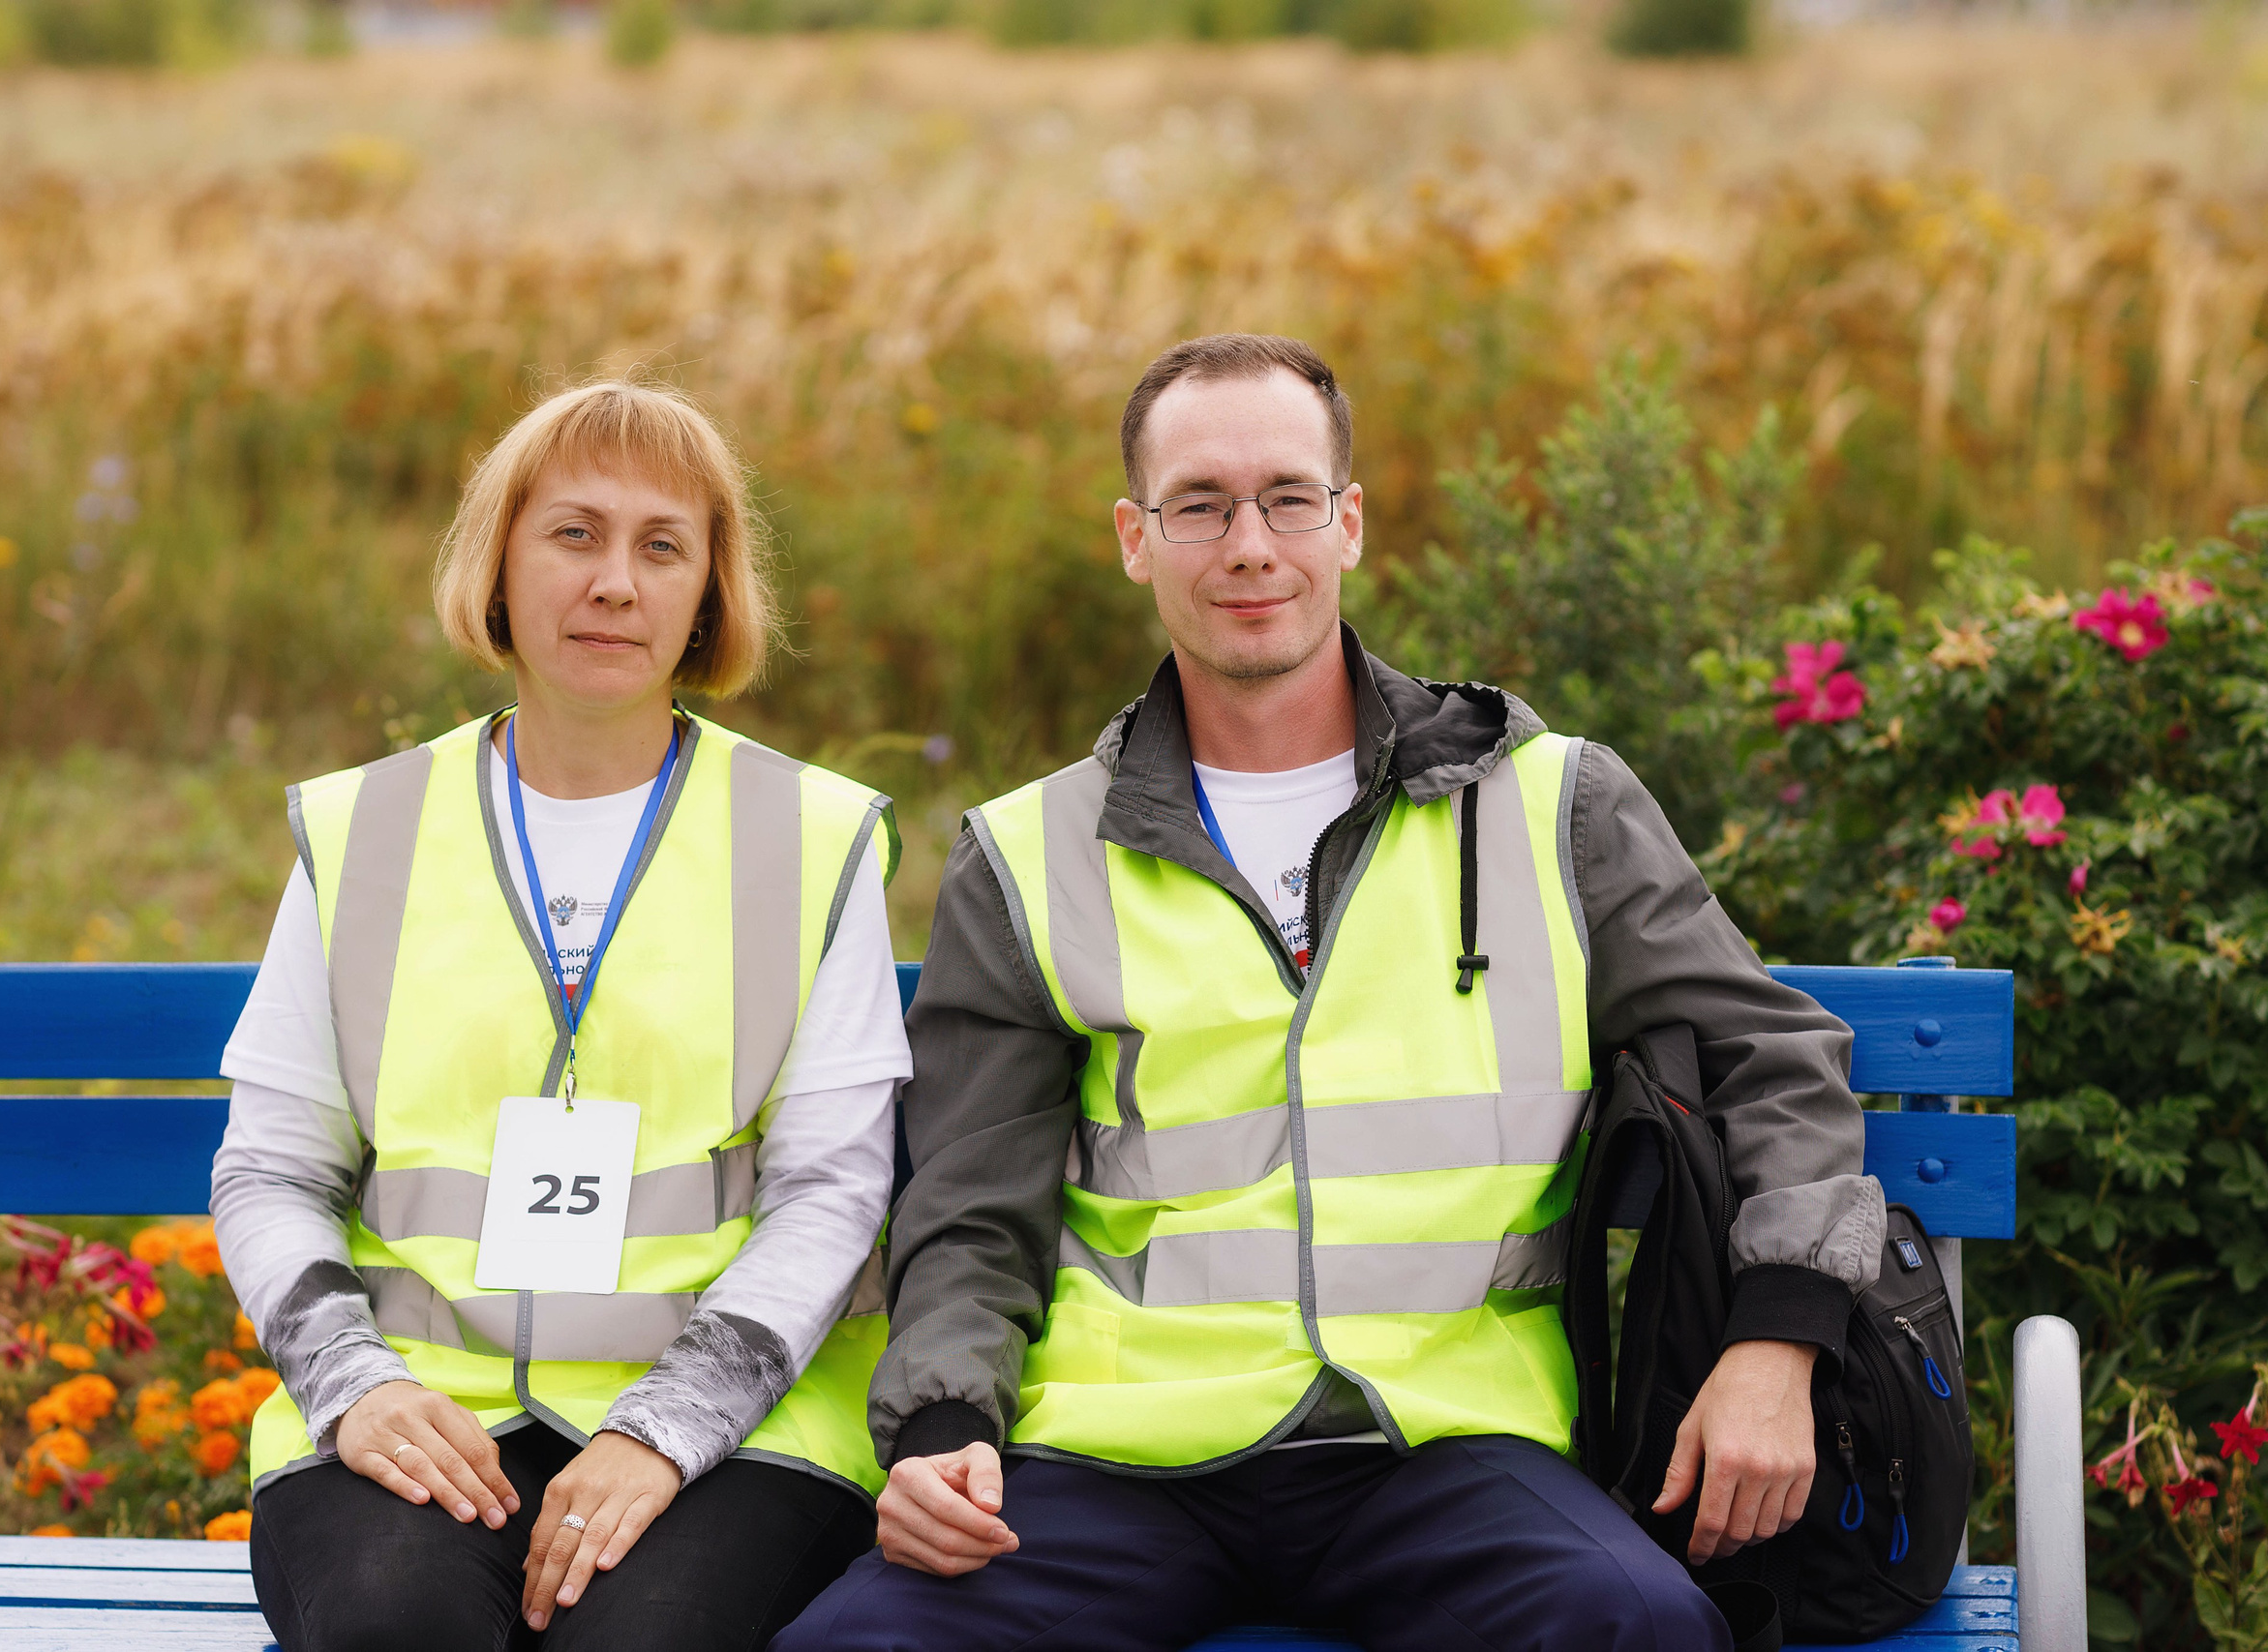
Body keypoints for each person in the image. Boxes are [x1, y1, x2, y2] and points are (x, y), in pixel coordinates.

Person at [778, 334, 1884, 1652]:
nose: (1249, 545)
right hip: (1116, 1456)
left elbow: (1772, 1056)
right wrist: (947, 1425)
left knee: (1632, 1628)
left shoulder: (1548, 803)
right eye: (1199, 506)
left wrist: (1781, 1340)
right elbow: (969, 1201)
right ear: (1136, 539)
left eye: (1288, 498)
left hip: (1447, 1445)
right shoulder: (1027, 853)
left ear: (1347, 523)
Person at [211, 379, 911, 1652]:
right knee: (395, 1629)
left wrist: (665, 1428)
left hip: (731, 1433)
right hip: (421, 1410)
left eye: (663, 546)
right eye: (573, 534)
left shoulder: (814, 839)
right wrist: (354, 1389)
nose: (615, 583)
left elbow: (832, 1185)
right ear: (500, 563)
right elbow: (271, 1168)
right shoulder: (364, 829)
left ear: (710, 590)